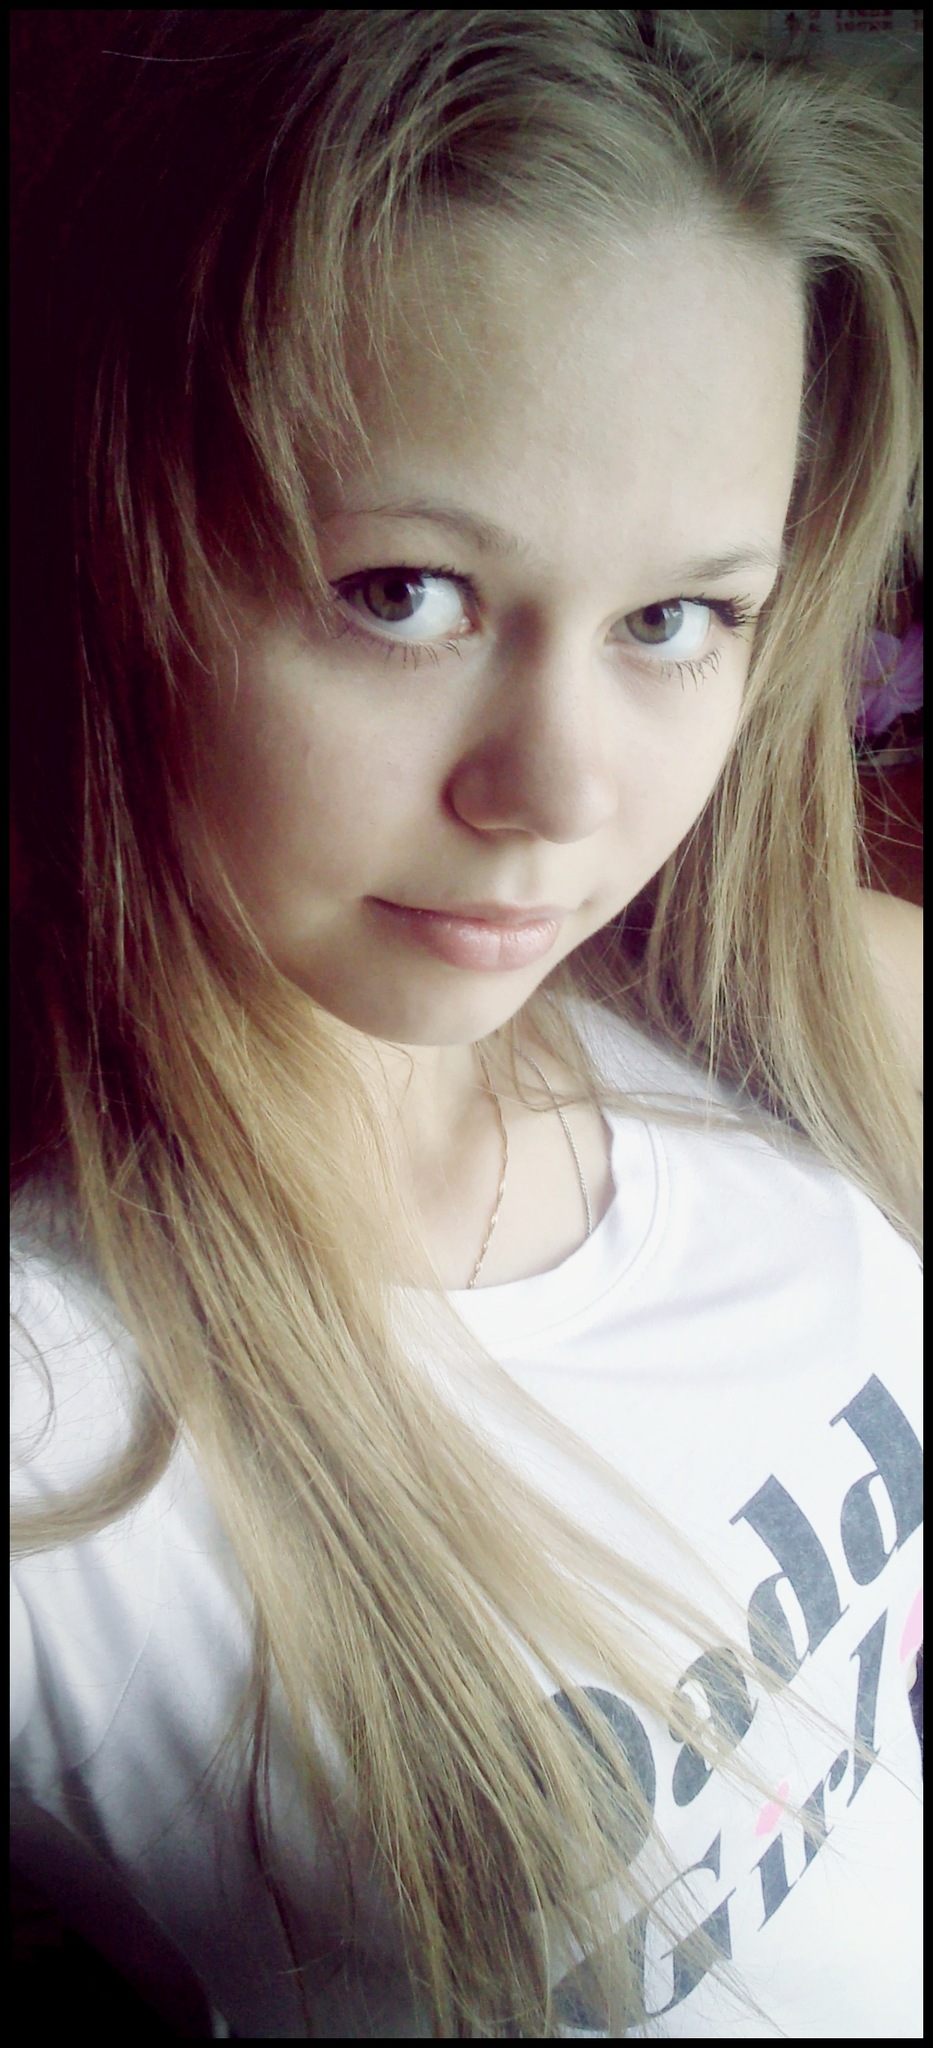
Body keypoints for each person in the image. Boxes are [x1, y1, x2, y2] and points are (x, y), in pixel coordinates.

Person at [10, 11, 922, 2038]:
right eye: (401, 593)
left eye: (672, 618)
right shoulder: (60, 1444)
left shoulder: (806, 1011)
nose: (562, 792)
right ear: (104, 568)